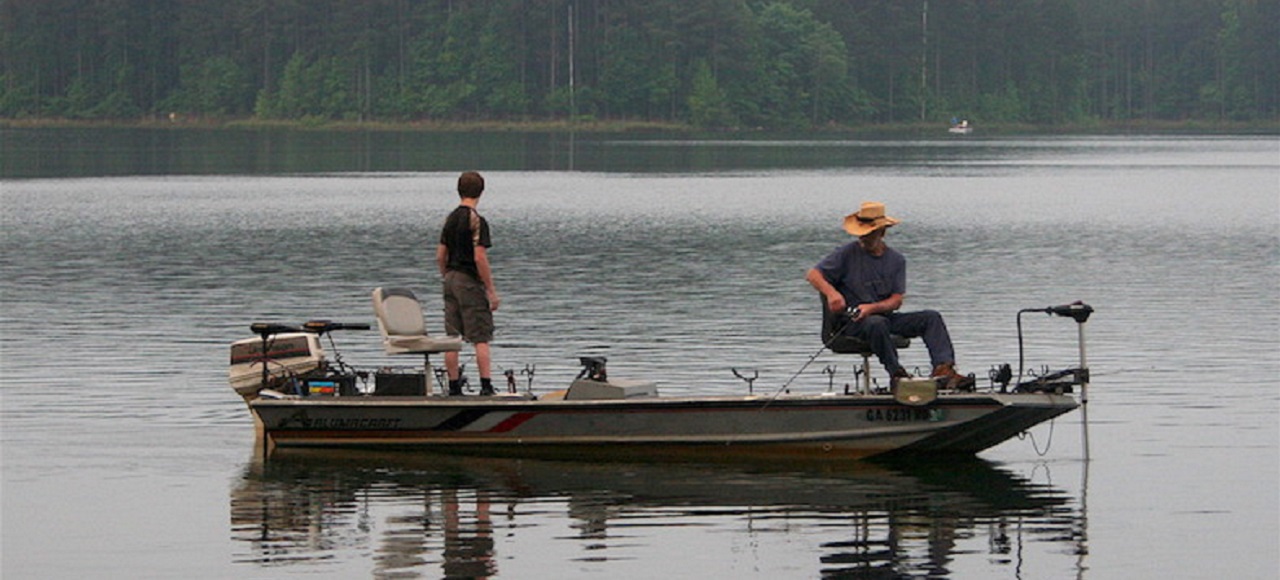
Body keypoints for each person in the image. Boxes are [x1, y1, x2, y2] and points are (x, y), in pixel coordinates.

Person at [805, 201, 975, 390]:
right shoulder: (846, 254)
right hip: (853, 323)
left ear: (882, 232)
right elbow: (813, 275)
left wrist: (872, 308)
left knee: (931, 318)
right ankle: (897, 374)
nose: (864, 238)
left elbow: (896, 301)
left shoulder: (896, 260)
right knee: (876, 323)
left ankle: (944, 371)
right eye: (862, 233)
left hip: (885, 318)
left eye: (869, 233)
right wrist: (832, 294)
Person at [437, 171, 500, 396]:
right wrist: (491, 290)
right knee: (481, 336)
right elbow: (479, 257)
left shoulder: (450, 219)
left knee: (452, 337)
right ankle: (485, 386)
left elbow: (440, 254)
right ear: (481, 192)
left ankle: (453, 387)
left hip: (450, 278)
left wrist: (446, 275)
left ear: (459, 190)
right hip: (469, 281)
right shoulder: (477, 220)